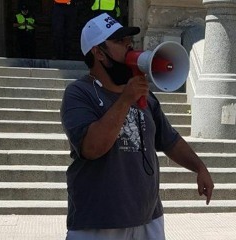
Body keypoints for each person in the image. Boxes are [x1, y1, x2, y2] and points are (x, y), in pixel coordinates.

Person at [60, 13, 214, 240]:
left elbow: (169, 140)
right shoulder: (79, 94)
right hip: (98, 222)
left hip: (148, 217)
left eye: (128, 40)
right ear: (98, 52)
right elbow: (91, 148)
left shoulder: (146, 97)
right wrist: (125, 100)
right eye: (119, 41)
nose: (129, 45)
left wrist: (200, 168)